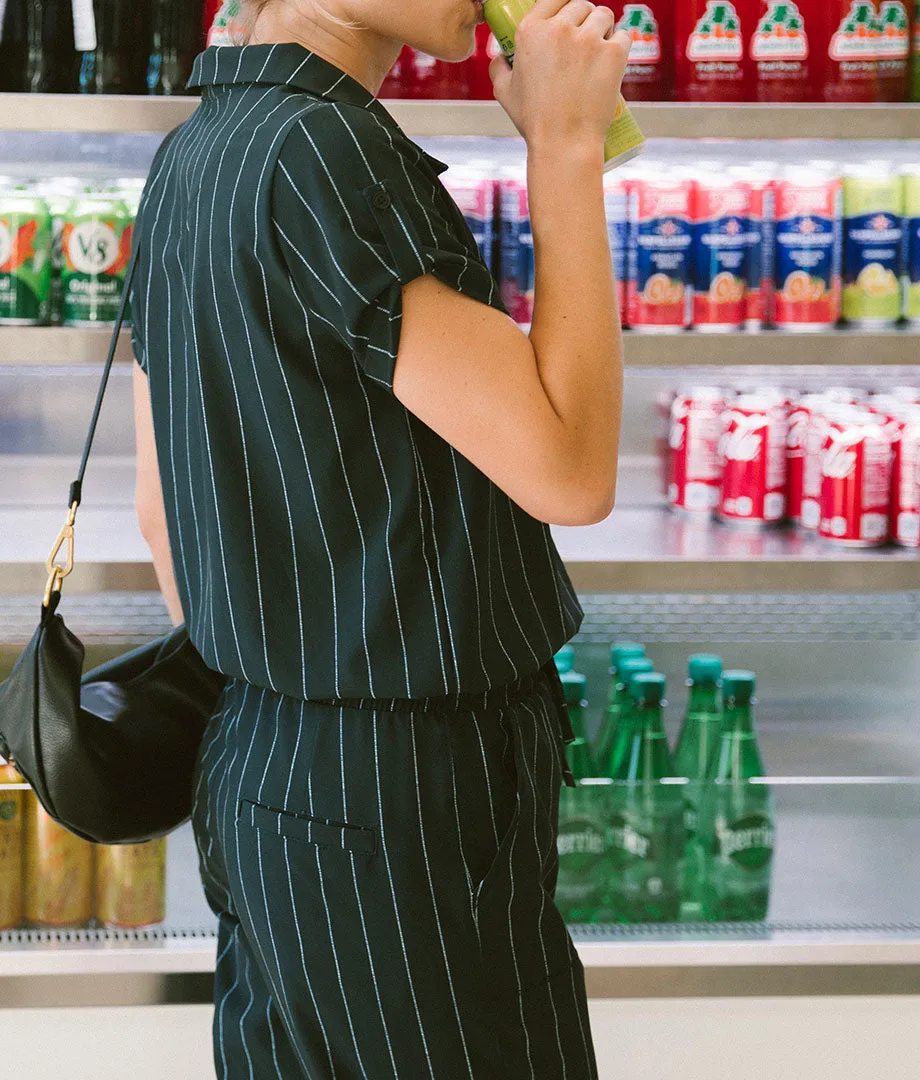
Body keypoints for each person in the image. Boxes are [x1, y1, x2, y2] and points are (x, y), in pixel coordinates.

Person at [130, 0, 628, 1076]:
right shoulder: (328, 152)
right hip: (403, 783)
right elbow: (572, 471)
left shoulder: (195, 151)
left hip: (266, 759)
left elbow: (163, 513)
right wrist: (566, 145)